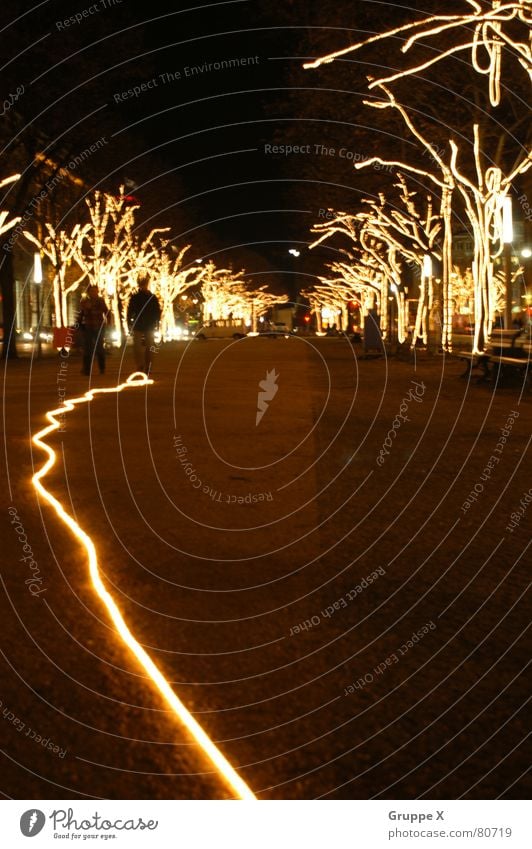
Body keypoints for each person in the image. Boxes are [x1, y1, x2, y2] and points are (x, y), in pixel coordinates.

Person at [127, 276, 161, 374]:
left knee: (147, 346)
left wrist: (157, 322)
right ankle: (142, 365)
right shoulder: (140, 297)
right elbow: (130, 311)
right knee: (142, 346)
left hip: (146, 324)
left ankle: (146, 365)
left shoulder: (150, 297)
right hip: (142, 324)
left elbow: (157, 311)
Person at [76, 284, 109, 375]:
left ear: (97, 292)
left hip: (99, 326)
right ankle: (87, 369)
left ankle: (102, 368)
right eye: (91, 291)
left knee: (100, 348)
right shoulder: (84, 302)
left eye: (95, 291)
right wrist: (79, 324)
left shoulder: (101, 301)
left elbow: (106, 311)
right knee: (88, 349)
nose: (93, 293)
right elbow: (81, 314)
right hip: (88, 327)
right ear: (89, 293)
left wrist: (107, 323)